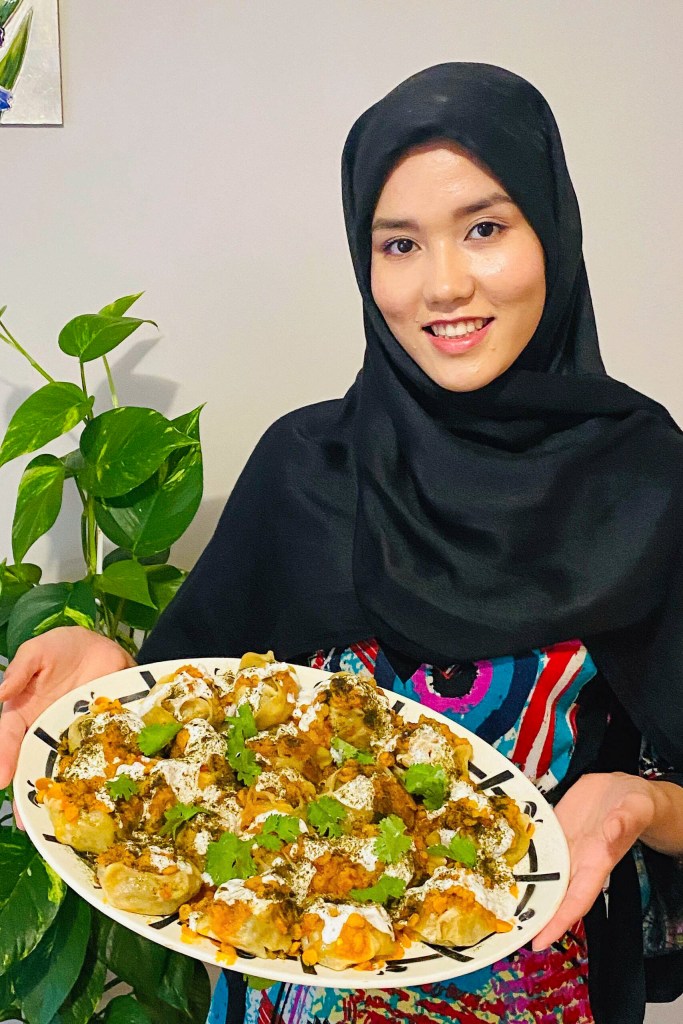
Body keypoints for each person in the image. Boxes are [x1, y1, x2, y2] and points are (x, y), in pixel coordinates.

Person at [1, 62, 682, 1024]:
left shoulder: (649, 481)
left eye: (484, 228)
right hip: (284, 986)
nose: (443, 285)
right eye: (398, 243)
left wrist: (641, 806)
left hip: (530, 989)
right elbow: (200, 716)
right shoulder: (305, 465)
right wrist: (107, 668)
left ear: (552, 231)